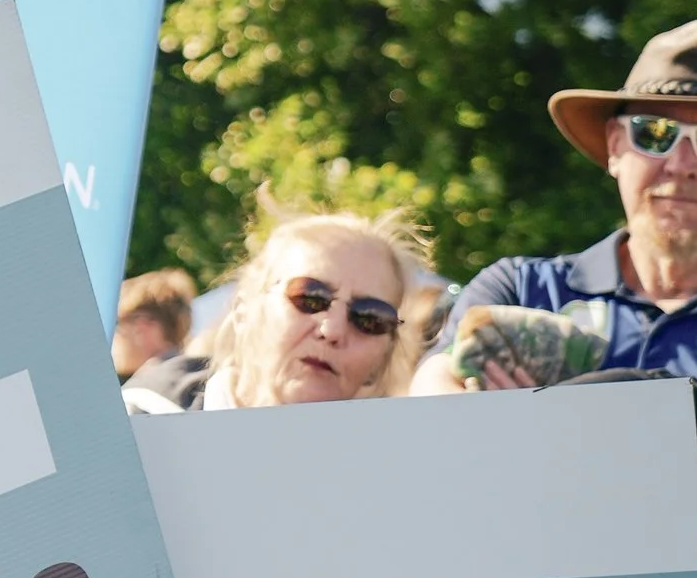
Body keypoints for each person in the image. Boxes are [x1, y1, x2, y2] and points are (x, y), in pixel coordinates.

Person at [410, 21, 697, 392]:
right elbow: (433, 396)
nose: (683, 164)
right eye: (655, 132)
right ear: (614, 146)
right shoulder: (521, 290)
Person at [124, 198, 432, 410]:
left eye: (369, 317)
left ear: (382, 360)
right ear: (244, 311)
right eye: (310, 297)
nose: (332, 329)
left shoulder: (388, 472)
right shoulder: (143, 419)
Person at [112, 267, 197, 381]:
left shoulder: (142, 392)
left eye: (117, 325)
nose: (112, 339)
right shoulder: (201, 377)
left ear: (142, 327)